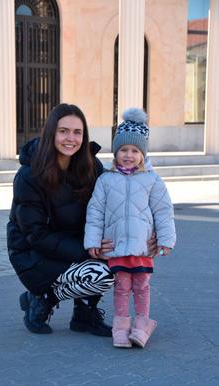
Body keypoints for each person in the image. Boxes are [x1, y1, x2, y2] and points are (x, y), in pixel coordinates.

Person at [7, 103, 116, 336]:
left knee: (119, 258)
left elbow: (115, 204)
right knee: (100, 273)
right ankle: (43, 298)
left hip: (73, 247)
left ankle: (84, 315)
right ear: (51, 133)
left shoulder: (90, 166)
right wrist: (89, 250)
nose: (71, 138)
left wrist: (144, 232)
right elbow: (35, 235)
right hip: (33, 254)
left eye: (77, 132)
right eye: (63, 131)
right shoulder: (29, 176)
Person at [84, 107, 176, 348]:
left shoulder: (152, 180)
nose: (128, 155)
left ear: (142, 154)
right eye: (123, 149)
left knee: (142, 287)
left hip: (142, 248)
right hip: (117, 247)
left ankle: (142, 325)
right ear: (115, 152)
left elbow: (163, 211)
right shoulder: (105, 180)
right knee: (122, 287)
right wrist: (93, 241)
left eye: (135, 150)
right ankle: (121, 327)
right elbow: (95, 212)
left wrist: (166, 240)